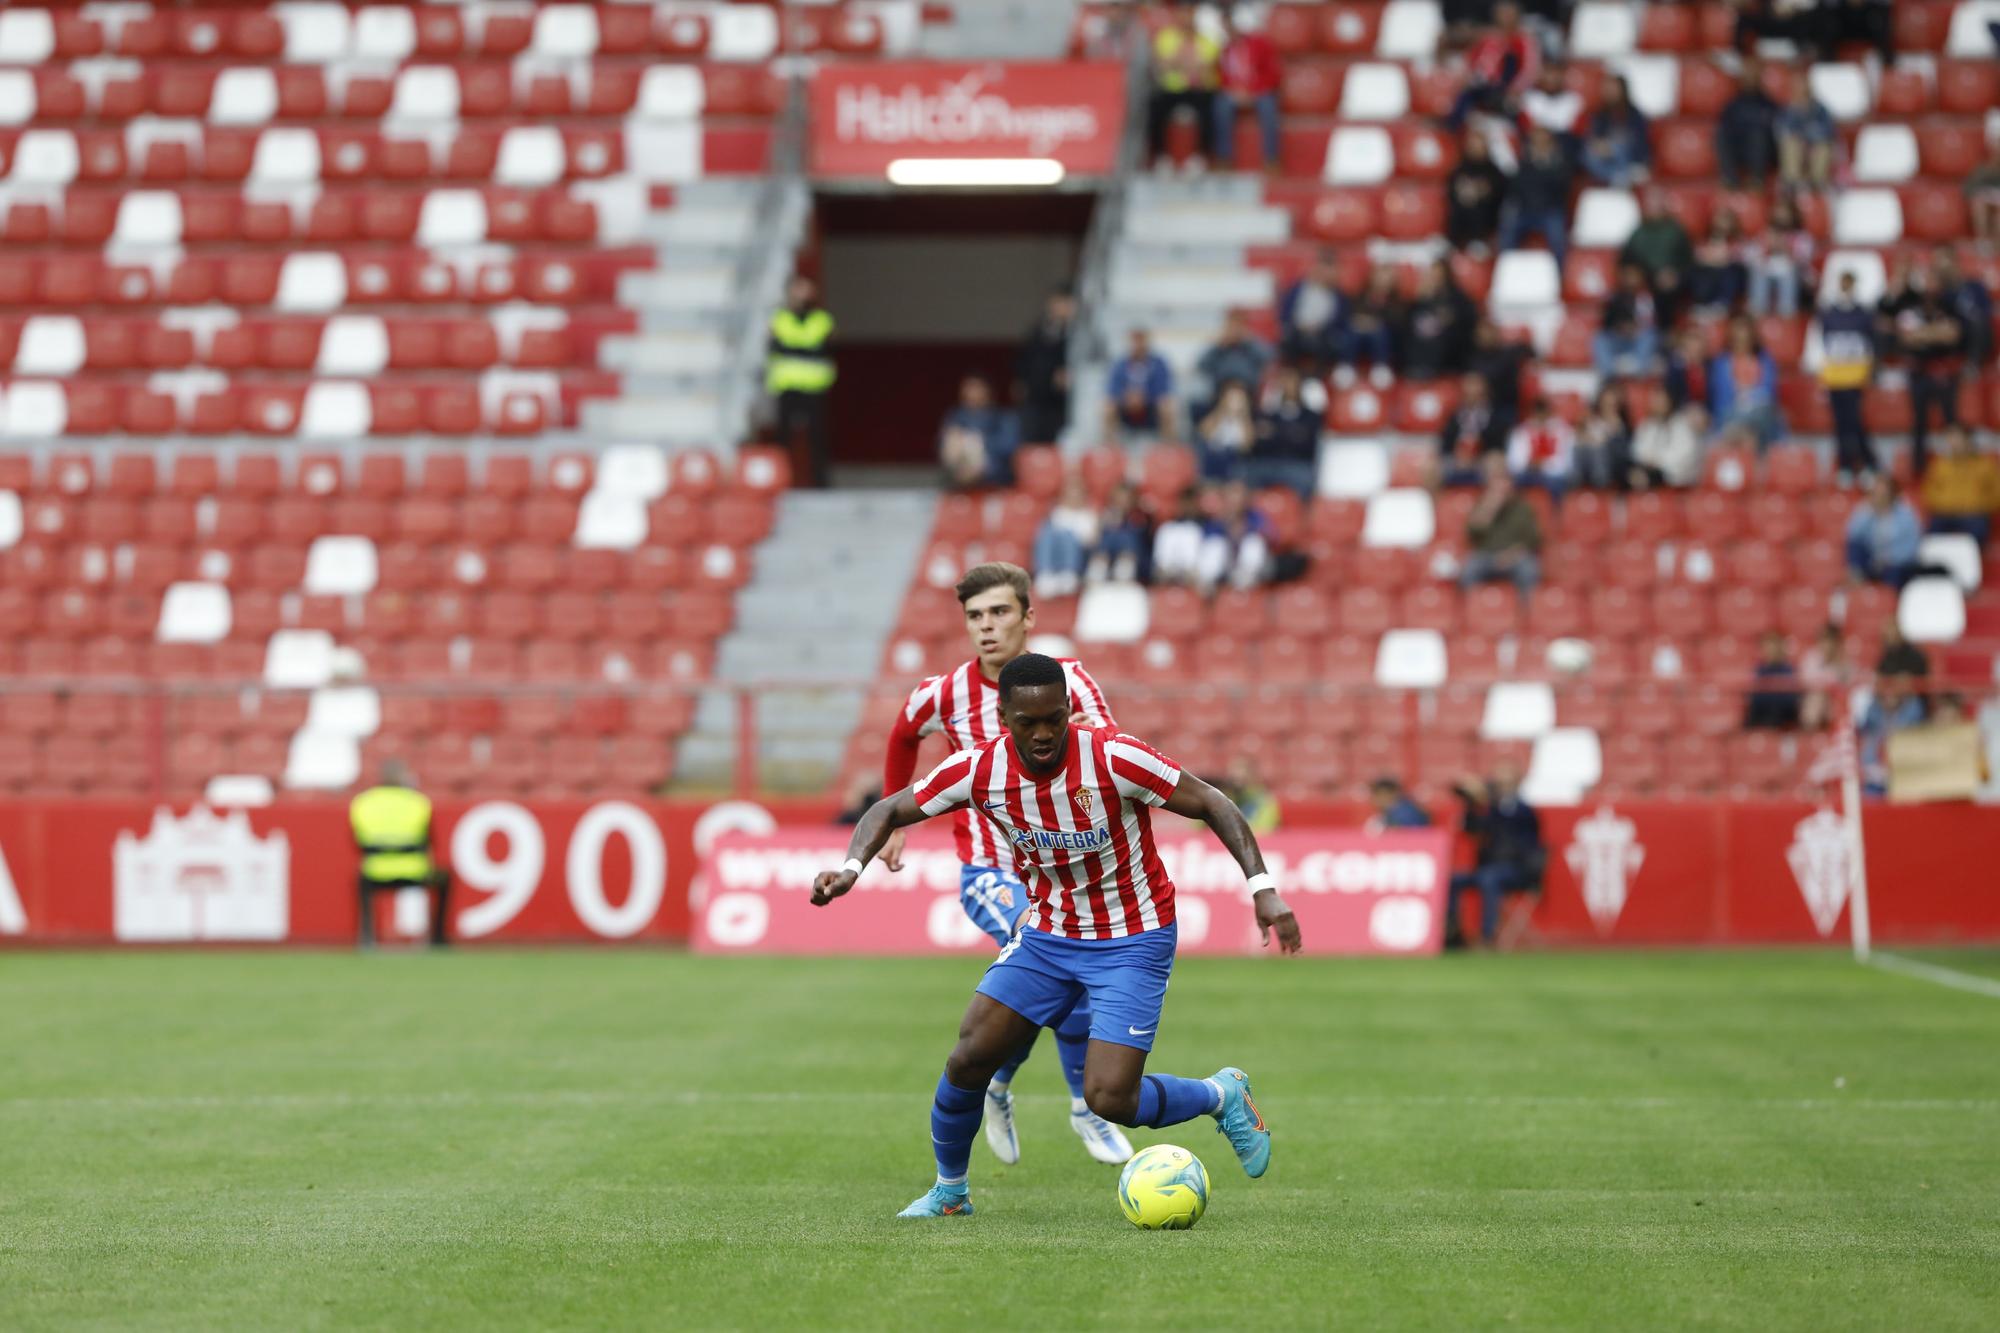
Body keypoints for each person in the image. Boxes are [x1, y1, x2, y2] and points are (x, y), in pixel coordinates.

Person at [817, 652, 1302, 1218]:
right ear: (1004, 718)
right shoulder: (978, 770)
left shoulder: (1115, 757)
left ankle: (1221, 1095)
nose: (1044, 733)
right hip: (1049, 933)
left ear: (1069, 709)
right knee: (969, 1058)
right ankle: (951, 1193)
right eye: (1029, 722)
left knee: (1109, 1098)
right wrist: (850, 870)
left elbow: (1212, 802)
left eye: (1054, 717)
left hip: (1133, 936)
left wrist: (1263, 887)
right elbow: (888, 809)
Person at [876, 564, 1131, 1168]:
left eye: (1000, 613)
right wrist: (890, 820)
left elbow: (1113, 751)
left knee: (1058, 994)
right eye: (975, 616)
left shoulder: (1068, 683)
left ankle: (997, 1080)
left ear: (1028, 617)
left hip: (1065, 879)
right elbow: (902, 734)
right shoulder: (942, 693)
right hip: (989, 871)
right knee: (1054, 967)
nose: (987, 627)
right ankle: (1084, 1110)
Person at [350, 758, 450, 949]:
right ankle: (437, 937)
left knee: (359, 881)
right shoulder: (418, 802)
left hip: (375, 873)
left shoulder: (363, 802)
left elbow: (357, 842)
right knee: (445, 879)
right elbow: (429, 839)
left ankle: (367, 936)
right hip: (415, 873)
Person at [1445, 760, 1544, 949]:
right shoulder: (1491, 807)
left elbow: (1506, 821)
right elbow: (1473, 829)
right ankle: (1453, 934)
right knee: (1453, 881)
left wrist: (1484, 798)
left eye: (1506, 782)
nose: (1501, 786)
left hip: (1517, 870)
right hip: (1489, 869)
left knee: (1488, 879)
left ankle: (1487, 936)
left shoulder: (1523, 810)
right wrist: (1471, 804)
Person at [765, 275, 836, 487]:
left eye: (806, 289)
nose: (802, 294)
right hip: (786, 386)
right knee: (783, 440)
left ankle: (821, 484)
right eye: (798, 289)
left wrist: (793, 348)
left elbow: (823, 347)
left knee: (817, 438)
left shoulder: (822, 319)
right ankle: (779, 482)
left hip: (814, 387)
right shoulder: (779, 318)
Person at [1816, 268, 1878, 481]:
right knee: (1840, 423)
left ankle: (1866, 463)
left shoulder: (1863, 313)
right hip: (1835, 377)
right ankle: (1847, 465)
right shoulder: (1829, 313)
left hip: (1855, 376)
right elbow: (1825, 344)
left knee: (1855, 422)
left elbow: (1870, 344)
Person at [1147, 1, 1220, 170]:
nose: (1186, 17)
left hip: (1198, 90)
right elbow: (1162, 64)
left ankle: (1200, 157)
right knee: (1154, 107)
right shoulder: (1165, 36)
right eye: (1183, 12)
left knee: (1210, 109)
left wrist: (1177, 62)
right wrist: (1187, 62)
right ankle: (1161, 157)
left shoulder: (1207, 39)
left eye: (1190, 12)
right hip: (1171, 90)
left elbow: (1205, 66)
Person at [1459, 456, 1543, 596]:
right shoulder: (1482, 504)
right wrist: (1490, 507)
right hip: (1486, 555)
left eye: (1504, 482)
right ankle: (1471, 611)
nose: (1501, 487)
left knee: (1529, 569)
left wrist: (1512, 555)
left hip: (1514, 556)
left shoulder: (1523, 507)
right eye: (1496, 482)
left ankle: (1528, 613)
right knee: (1469, 569)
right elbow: (1472, 533)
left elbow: (1533, 540)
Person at [1448, 1, 1539, 128]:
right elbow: (1472, 61)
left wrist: (1515, 89)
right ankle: (1452, 131)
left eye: (1509, 13)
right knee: (1463, 98)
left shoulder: (1524, 40)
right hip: (1484, 87)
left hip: (1509, 89)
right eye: (1502, 13)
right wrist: (1469, 78)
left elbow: (1529, 70)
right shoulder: (1487, 38)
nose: (1505, 17)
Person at [1212, 3, 1280, 172]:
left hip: (1259, 91)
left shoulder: (1261, 44)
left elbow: (1273, 73)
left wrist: (1252, 91)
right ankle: (1224, 157)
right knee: (1220, 106)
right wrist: (1234, 91)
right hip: (1235, 93)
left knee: (1268, 107)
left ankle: (1271, 159)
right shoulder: (1226, 49)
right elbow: (1222, 76)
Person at [1497, 124, 1574, 271]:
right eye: (1535, 141)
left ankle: (1559, 276)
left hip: (1549, 210)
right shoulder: (1523, 162)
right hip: (1524, 210)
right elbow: (1516, 187)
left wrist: (1545, 165)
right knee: (1508, 227)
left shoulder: (1560, 162)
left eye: (1543, 141)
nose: (1539, 145)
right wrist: (1531, 165)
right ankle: (1504, 272)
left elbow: (1561, 188)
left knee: (1558, 238)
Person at [1707, 315, 1782, 448]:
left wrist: (1749, 396)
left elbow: (1769, 393)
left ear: (1752, 338)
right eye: (1738, 339)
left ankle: (1742, 436)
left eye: (1745, 339)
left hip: (1759, 412)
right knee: (1748, 435)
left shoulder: (1765, 360)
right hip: (1731, 412)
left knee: (1764, 415)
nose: (1742, 343)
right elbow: (1721, 398)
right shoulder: (1721, 362)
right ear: (1731, 339)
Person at [1921, 425, 2000, 548]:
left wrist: (1979, 504)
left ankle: (1971, 562)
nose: (1954, 444)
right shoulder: (1939, 465)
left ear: (1968, 440)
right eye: (1950, 440)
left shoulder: (1986, 465)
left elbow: (1996, 493)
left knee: (1979, 528)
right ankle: (1936, 565)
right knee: (1932, 533)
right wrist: (1947, 505)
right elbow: (1929, 492)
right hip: (1945, 514)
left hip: (1974, 514)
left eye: (1957, 439)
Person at [1013, 287, 1075, 446]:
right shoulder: (1037, 331)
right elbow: (1023, 360)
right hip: (1035, 399)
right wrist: (1022, 381)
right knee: (1031, 444)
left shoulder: (1076, 335)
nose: (1062, 308)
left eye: (1066, 304)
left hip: (1060, 403)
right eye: (1059, 303)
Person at [1619, 189, 1693, 321]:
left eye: (1657, 203)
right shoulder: (1638, 232)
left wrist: (1676, 275)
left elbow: (1688, 260)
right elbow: (1626, 259)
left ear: (1664, 206)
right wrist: (1630, 273)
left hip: (1670, 279)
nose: (1654, 207)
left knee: (1667, 292)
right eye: (1651, 204)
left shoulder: (1676, 231)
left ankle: (1663, 333)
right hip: (1645, 275)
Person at [1250, 365, 1323, 497]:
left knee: (1305, 480)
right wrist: (1292, 433)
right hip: (1269, 464)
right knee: (1247, 474)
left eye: (1293, 382)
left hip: (1297, 465)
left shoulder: (1311, 417)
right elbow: (1260, 444)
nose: (1289, 386)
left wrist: (1275, 433)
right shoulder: (1268, 415)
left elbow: (1306, 446)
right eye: (1285, 382)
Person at [1400, 259, 1477, 380]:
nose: (1434, 279)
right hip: (1418, 356)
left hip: (1448, 356)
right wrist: (1419, 301)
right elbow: (1405, 324)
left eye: (1438, 275)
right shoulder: (1417, 300)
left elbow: (1468, 321)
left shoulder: (1457, 298)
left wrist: (1452, 317)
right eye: (1431, 275)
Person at [939, 375, 1020, 489]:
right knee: (953, 440)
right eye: (968, 388)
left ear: (987, 390)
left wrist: (978, 441)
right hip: (960, 472)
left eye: (976, 388)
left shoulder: (1004, 417)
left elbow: (1009, 446)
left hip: (996, 476)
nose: (972, 393)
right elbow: (943, 447)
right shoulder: (956, 417)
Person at [1858, 671, 1926, 797]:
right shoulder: (1874, 713)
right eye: (1886, 692)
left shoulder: (1911, 711)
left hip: (1905, 773)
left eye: (1894, 692)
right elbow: (1865, 744)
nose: (1890, 696)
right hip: (1876, 778)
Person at [1748, 193, 1816, 319]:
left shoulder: (1801, 237)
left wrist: (1786, 248)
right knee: (1758, 269)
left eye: (1785, 213)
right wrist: (1766, 248)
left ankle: (1787, 310)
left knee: (1788, 270)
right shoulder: (1766, 234)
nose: (1781, 217)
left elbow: (1805, 259)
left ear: (1793, 215)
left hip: (1794, 272)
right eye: (1779, 213)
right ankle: (1758, 309)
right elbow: (1751, 255)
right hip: (1769, 270)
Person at [1104, 329, 1178, 444]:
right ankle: (1110, 447)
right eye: (1134, 341)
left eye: (1141, 340)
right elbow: (1113, 388)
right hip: (1125, 406)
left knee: (1167, 406)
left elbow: (1164, 388)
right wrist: (1127, 397)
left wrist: (1145, 397)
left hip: (1151, 407)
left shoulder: (1158, 363)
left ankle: (1167, 447)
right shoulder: (1120, 364)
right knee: (1107, 406)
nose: (1137, 345)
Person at [1032, 475, 1101, 598]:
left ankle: (1069, 574)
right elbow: (1050, 538)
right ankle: (1045, 573)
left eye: (1077, 494)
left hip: (1078, 556)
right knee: (1046, 532)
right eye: (1070, 494)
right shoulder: (1057, 512)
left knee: (1068, 535)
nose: (1074, 497)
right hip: (1057, 554)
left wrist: (1070, 535)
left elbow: (1091, 541)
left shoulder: (1088, 515)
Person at [1844, 475, 1921, 585]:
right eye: (1875, 493)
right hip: (1873, 560)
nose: (1879, 497)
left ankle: (1888, 599)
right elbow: (1852, 533)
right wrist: (1868, 512)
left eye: (1883, 494)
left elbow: (1911, 548)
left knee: (1895, 572)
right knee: (1855, 546)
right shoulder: (1867, 510)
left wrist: (1888, 559)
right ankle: (1857, 581)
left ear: (1891, 495)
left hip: (1896, 564)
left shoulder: (1906, 515)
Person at [1277, 249, 1346, 370]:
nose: (1324, 273)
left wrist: (1319, 328)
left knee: (1328, 343)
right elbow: (1285, 311)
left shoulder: (1338, 296)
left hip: (1323, 334)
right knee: (1290, 340)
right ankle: (1293, 377)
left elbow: (1340, 321)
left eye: (1328, 269)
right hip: (1298, 330)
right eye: (1322, 267)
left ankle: (1316, 378)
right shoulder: (1299, 288)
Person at [1715, 59, 1778, 189]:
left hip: (1763, 152)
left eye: (1753, 75)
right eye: (1747, 75)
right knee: (1721, 133)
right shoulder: (1734, 104)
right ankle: (1730, 178)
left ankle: (1757, 179)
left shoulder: (1768, 104)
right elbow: (1725, 125)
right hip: (1740, 149)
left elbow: (1774, 130)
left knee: (1757, 134)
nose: (1750, 79)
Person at [1628, 385, 1705, 490]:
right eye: (1656, 401)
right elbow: (1638, 449)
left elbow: (1684, 455)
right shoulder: (1648, 425)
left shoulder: (1682, 426)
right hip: (1647, 470)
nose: (1659, 405)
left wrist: (1658, 461)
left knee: (1649, 477)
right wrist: (1648, 461)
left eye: (1662, 401)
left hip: (1673, 477)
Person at [1444, 129, 1508, 255]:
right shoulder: (1461, 167)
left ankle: (1478, 241)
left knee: (1478, 209)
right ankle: (1452, 244)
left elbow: (1497, 189)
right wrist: (1463, 192)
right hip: (1463, 207)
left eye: (1479, 145)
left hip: (1485, 212)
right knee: (1457, 208)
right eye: (1472, 145)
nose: (1475, 148)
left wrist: (1479, 192)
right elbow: (1453, 186)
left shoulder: (1492, 169)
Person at [1593, 261, 1661, 380]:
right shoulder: (1614, 296)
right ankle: (1609, 377)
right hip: (1619, 338)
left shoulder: (1647, 296)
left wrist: (1636, 328)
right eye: (1628, 275)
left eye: (1634, 275)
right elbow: (1606, 323)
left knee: (1650, 335)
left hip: (1638, 339)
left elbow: (1651, 322)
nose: (1631, 279)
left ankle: (1640, 373)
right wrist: (1620, 327)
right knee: (1599, 338)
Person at [1581, 74, 1650, 187]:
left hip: (1629, 158)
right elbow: (1594, 140)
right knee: (1586, 154)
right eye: (1607, 89)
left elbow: (1639, 145)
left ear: (1623, 90)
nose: (1610, 92)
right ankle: (1617, 176)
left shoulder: (1634, 115)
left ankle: (1619, 175)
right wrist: (1603, 146)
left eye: (1614, 89)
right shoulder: (1600, 115)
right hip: (1606, 160)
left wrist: (1613, 146)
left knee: (1619, 148)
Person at [1194, 310, 1271, 410]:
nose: (1234, 330)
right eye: (1231, 326)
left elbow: (1268, 357)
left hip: (1248, 392)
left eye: (1237, 325)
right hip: (1220, 393)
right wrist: (1218, 346)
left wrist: (1249, 341)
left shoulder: (1251, 346)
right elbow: (1201, 365)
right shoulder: (1219, 348)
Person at [1338, 265, 1402, 386]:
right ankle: (1346, 366)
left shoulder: (1395, 300)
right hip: (1359, 335)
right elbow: (1352, 314)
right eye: (1380, 276)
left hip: (1382, 338)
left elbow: (1396, 321)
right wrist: (1363, 321)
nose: (1382, 281)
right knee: (1352, 329)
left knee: (1380, 331)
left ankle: (1381, 366)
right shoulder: (1361, 295)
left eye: (1386, 278)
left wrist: (1375, 322)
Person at [1439, 372, 1508, 482]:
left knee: (1494, 462)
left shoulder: (1495, 417)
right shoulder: (1454, 416)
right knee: (1433, 466)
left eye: (1476, 390)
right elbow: (1445, 444)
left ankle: (1491, 498)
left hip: (1483, 458)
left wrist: (1478, 453)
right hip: (1457, 459)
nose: (1471, 393)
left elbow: (1499, 445)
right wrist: (1458, 455)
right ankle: (1434, 498)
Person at [1774, 80, 1835, 193]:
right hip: (1797, 151)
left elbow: (1828, 132)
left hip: (1814, 149)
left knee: (1823, 147)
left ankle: (1817, 184)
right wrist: (1802, 138)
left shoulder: (1820, 110)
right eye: (1799, 92)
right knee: (1790, 144)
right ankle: (1793, 183)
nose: (1803, 96)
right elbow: (1781, 131)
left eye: (1805, 92)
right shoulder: (1788, 111)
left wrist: (1807, 139)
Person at [1506, 397, 1575, 493]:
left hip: (1553, 476)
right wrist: (1530, 464)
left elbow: (1566, 464)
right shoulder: (1521, 432)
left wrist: (1543, 465)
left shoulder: (1563, 431)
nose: (1541, 416)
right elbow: (1514, 463)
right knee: (1512, 483)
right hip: (1527, 475)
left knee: (1557, 483)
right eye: (1538, 412)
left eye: (1544, 412)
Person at [1688, 209, 1749, 317]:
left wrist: (1721, 259)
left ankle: (1722, 304)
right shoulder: (1704, 239)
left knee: (1731, 270)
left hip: (1731, 273)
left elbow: (1740, 257)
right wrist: (1715, 260)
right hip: (1709, 272)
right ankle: (1703, 303)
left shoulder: (1739, 240)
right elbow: (1699, 257)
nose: (1723, 224)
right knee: (1700, 271)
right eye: (1720, 220)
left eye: (1726, 221)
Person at [1195, 380, 1258, 483]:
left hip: (1234, 464)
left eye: (1238, 399)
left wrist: (1241, 417)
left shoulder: (1246, 423)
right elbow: (1204, 433)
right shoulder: (1215, 417)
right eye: (1231, 398)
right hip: (1213, 460)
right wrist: (1221, 414)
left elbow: (1247, 446)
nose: (1234, 403)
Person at [1092, 483, 1154, 585]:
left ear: (1133, 500)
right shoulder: (1107, 516)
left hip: (1138, 559)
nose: (1121, 502)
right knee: (1108, 537)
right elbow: (1095, 539)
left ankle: (1124, 568)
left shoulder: (1141, 515)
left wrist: (1122, 520)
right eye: (1118, 499)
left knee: (1125, 536)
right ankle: (1099, 567)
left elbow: (1143, 534)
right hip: (1109, 557)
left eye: (1125, 499)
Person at [1574, 384, 1632, 490]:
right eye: (1605, 403)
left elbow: (1619, 450)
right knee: (1578, 447)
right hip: (1588, 460)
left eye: (1612, 404)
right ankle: (1575, 479)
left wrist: (1602, 440)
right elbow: (1581, 438)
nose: (1608, 406)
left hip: (1610, 465)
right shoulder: (1593, 420)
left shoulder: (1620, 424)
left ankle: (1599, 481)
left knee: (1598, 449)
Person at [1152, 486, 1210, 588]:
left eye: (1191, 503)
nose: (1187, 507)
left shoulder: (1206, 529)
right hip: (1168, 580)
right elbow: (1159, 565)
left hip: (1196, 582)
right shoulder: (1167, 529)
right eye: (1184, 503)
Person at [1743, 631, 1802, 729]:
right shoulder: (1759, 670)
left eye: (1774, 647)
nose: (1771, 650)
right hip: (1761, 711)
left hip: (1782, 714)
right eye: (1768, 647)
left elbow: (1791, 700)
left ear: (1780, 648)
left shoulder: (1789, 669)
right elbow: (1754, 698)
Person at [1797, 624, 1849, 731]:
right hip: (1812, 699)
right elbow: (1806, 680)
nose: (1828, 645)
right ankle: (1809, 735)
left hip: (1835, 702)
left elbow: (1847, 683)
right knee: (1817, 698)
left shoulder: (1844, 661)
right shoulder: (1811, 657)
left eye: (1831, 641)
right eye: (1825, 641)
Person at [1224, 756, 1280, 835]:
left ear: (1251, 775)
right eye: (1234, 778)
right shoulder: (1224, 798)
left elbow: (1266, 829)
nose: (1236, 781)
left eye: (1241, 777)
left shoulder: (1263, 799)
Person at [1966, 140, 2000, 252]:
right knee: (1979, 204)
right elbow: (1968, 190)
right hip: (1986, 202)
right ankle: (1983, 243)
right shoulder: (1984, 168)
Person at [1365, 777, 1431, 831]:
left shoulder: (1406, 812)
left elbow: (1413, 835)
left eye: (1376, 794)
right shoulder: (1388, 813)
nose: (1373, 799)